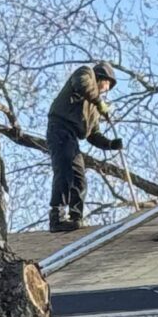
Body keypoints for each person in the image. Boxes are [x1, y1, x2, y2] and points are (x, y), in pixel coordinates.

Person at [46, 61, 123, 232]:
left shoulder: (93, 109)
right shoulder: (85, 73)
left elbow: (93, 135)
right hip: (60, 129)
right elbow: (82, 85)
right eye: (107, 84)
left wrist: (110, 144)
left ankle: (75, 217)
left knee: (79, 177)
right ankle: (57, 217)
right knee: (64, 170)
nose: (107, 89)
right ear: (101, 77)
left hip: (72, 138)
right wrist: (97, 101)